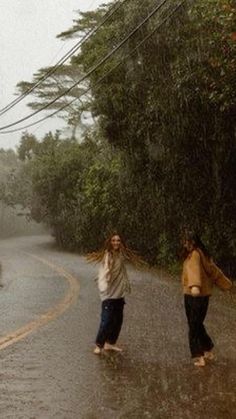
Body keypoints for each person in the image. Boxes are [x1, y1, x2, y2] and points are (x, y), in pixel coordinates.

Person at [181, 231, 232, 367]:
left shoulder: (194, 255)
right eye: (185, 241)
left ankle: (198, 356)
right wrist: (226, 284)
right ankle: (207, 348)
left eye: (188, 241)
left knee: (193, 325)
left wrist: (195, 285)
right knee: (197, 324)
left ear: (193, 241)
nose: (186, 244)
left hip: (194, 295)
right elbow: (213, 271)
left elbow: (194, 271)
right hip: (204, 296)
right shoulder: (203, 254)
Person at [87, 232, 142, 355]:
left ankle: (110, 343)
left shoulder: (121, 254)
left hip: (119, 294)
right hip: (108, 294)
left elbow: (126, 259)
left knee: (117, 321)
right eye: (113, 240)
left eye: (118, 240)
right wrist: (103, 276)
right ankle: (99, 344)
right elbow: (105, 268)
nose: (116, 242)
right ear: (110, 242)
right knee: (106, 320)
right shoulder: (108, 255)